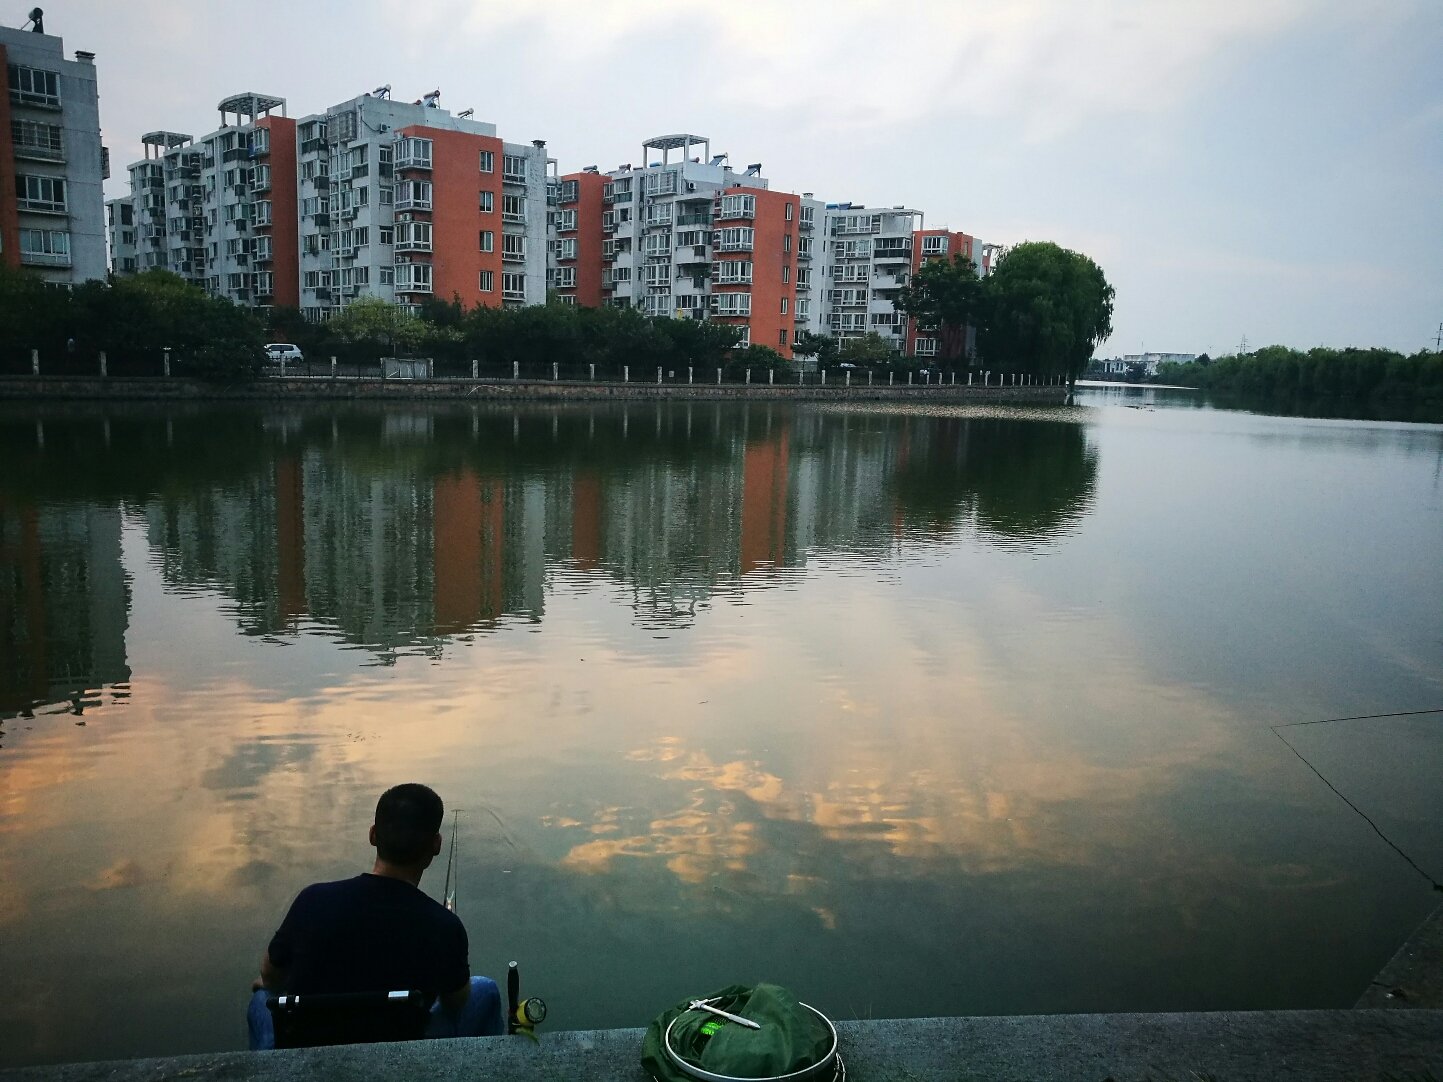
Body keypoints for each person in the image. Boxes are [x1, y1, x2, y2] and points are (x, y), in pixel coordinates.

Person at [247, 783, 502, 1049]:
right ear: (436, 845)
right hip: (404, 1047)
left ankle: (269, 1070)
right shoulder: (444, 925)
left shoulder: (312, 900)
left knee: (262, 996)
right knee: (484, 989)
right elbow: (456, 1002)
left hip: (308, 1044)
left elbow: (270, 974)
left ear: (372, 835)